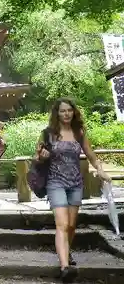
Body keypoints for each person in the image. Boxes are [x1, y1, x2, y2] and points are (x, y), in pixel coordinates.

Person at [35, 98, 111, 283]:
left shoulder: (79, 133)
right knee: (62, 224)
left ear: (74, 112)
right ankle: (64, 267)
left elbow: (91, 155)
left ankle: (66, 253)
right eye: (63, 111)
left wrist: (100, 169)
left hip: (75, 183)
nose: (66, 114)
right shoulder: (48, 134)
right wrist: (42, 157)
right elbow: (36, 158)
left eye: (69, 110)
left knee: (70, 225)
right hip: (55, 182)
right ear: (57, 113)